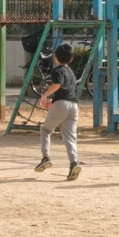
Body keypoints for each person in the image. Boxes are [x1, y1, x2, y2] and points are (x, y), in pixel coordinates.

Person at [34, 42, 82, 181]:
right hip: (73, 106)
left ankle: (46, 158)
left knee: (45, 130)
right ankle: (74, 163)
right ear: (71, 59)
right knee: (70, 137)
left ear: (55, 57)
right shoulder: (71, 73)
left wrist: (45, 95)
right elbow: (64, 90)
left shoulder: (57, 70)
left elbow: (58, 84)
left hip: (62, 105)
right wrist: (53, 101)